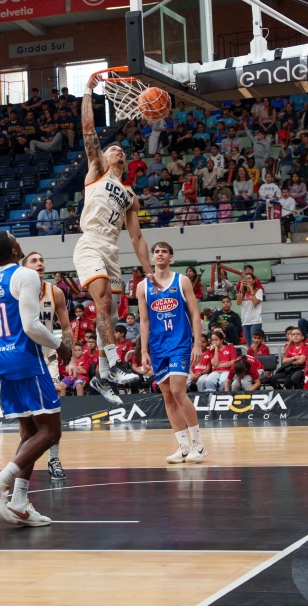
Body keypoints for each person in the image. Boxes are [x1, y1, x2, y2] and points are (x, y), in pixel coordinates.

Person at [0, 231, 69, 527]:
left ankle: (19, 502)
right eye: (14, 238)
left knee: (29, 433)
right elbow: (31, 325)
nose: (18, 240)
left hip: (4, 361)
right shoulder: (26, 275)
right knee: (51, 433)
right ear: (13, 250)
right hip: (29, 360)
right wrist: (60, 347)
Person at [74, 72, 154, 403]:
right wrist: (87, 92)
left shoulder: (131, 195)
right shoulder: (97, 170)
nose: (117, 150)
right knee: (103, 303)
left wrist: (149, 272)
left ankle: (103, 376)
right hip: (90, 242)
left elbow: (137, 238)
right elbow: (87, 129)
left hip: (113, 250)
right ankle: (117, 364)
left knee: (112, 314)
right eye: (112, 148)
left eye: (121, 149)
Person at [136, 240, 207, 464]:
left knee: (177, 391)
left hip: (180, 343)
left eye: (164, 251)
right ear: (152, 257)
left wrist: (197, 344)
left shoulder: (182, 280)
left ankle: (198, 444)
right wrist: (144, 351)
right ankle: (183, 446)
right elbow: (144, 321)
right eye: (156, 251)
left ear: (171, 257)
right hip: (157, 347)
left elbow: (195, 314)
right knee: (167, 395)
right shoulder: (142, 286)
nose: (160, 254)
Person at [22, 250, 76, 480]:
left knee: (53, 411)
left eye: (42, 260)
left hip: (48, 358)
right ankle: (25, 460)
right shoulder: (17, 292)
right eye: (34, 261)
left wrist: (71, 358)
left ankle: (54, 459)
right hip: (25, 359)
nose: (40, 263)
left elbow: (66, 327)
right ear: (24, 268)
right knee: (27, 417)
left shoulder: (55, 292)